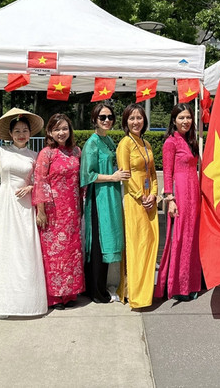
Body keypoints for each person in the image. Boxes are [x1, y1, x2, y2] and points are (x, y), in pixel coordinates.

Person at [0, 108, 48, 317]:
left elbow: (41, 181)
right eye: (17, 130)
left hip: (26, 204)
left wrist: (31, 187)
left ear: (30, 133)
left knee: (26, 247)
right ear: (10, 134)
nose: (21, 134)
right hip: (6, 202)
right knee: (5, 248)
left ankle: (29, 301)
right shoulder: (2, 151)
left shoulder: (35, 155)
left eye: (25, 130)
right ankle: (3, 304)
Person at [32, 114, 84, 310]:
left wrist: (80, 204)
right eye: (57, 129)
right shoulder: (46, 153)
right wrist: (41, 210)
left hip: (72, 209)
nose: (61, 133)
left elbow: (80, 181)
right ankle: (54, 296)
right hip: (53, 211)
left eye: (64, 128)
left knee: (71, 252)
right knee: (54, 255)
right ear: (50, 132)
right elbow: (40, 181)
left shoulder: (76, 151)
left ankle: (70, 293)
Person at [80, 103, 129, 304]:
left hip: (110, 196)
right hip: (99, 198)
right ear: (94, 120)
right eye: (102, 117)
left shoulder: (108, 139)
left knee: (107, 240)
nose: (107, 120)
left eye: (110, 117)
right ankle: (97, 292)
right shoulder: (92, 143)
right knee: (99, 243)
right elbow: (87, 175)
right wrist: (113, 177)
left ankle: (102, 287)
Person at [156, 103, 202, 301]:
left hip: (194, 194)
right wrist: (170, 198)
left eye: (188, 117)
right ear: (174, 120)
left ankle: (192, 282)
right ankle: (177, 285)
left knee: (192, 239)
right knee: (179, 238)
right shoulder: (170, 142)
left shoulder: (192, 141)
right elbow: (167, 172)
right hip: (180, 195)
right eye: (181, 118)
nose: (185, 121)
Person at [116, 103, 159, 309]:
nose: (136, 122)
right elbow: (125, 175)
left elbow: (152, 173)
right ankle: (134, 293)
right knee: (136, 245)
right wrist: (141, 196)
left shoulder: (146, 144)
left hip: (148, 200)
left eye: (139, 118)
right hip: (134, 201)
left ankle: (146, 289)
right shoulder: (125, 143)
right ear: (126, 122)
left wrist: (154, 194)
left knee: (150, 244)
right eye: (131, 118)